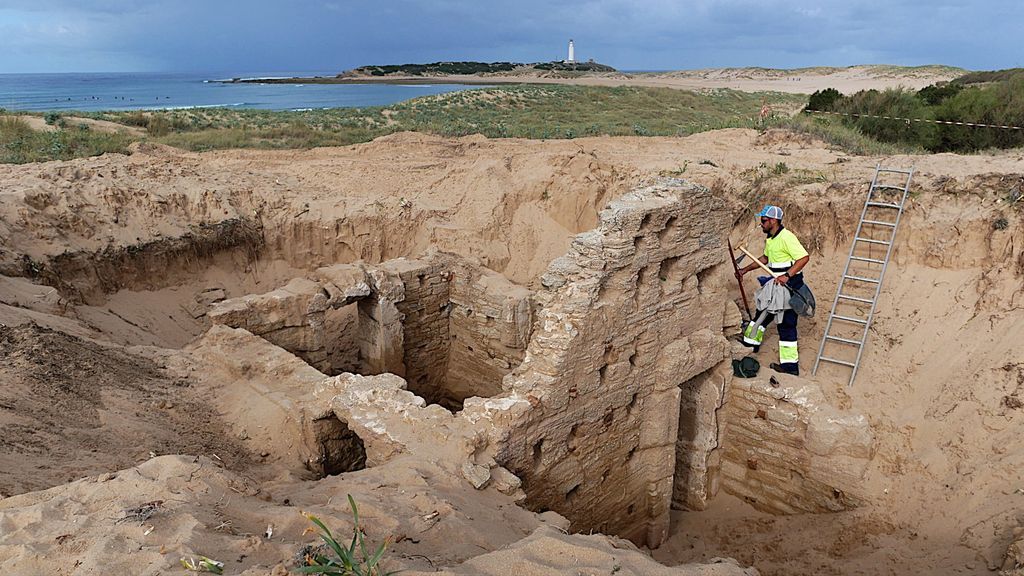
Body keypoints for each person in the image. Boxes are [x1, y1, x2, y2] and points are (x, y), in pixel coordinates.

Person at [735, 205, 810, 375]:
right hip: (774, 285)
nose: (761, 224)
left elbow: (804, 258)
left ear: (773, 221)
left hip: (788, 287)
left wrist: (787, 276)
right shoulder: (771, 239)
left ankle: (790, 369)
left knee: (786, 326)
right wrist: (744, 270)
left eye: (763, 221)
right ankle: (750, 346)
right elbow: (765, 258)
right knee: (761, 315)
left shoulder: (786, 237)